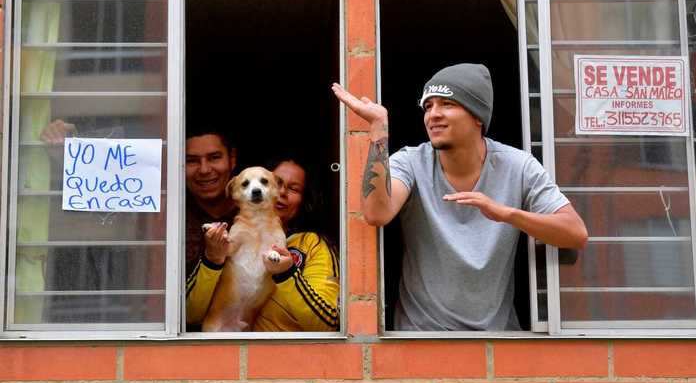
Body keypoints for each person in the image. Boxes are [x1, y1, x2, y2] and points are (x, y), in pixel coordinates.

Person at [332, 63, 588, 331]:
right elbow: (376, 213)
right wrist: (378, 128)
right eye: (428, 106)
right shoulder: (411, 161)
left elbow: (575, 233)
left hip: (496, 342)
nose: (434, 115)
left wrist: (507, 214)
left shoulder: (518, 166)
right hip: (420, 339)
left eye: (447, 104)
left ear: (478, 116)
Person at [253, 157, 340, 331]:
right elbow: (191, 313)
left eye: (293, 189)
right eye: (276, 183)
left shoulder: (313, 244)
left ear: (305, 200)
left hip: (285, 355)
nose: (282, 192)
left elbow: (328, 323)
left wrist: (287, 274)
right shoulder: (235, 237)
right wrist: (213, 259)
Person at [185, 128, 237, 330]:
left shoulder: (257, 212)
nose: (204, 169)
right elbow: (183, 314)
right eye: (191, 160)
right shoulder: (170, 219)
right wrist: (213, 259)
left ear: (232, 159)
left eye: (214, 157)